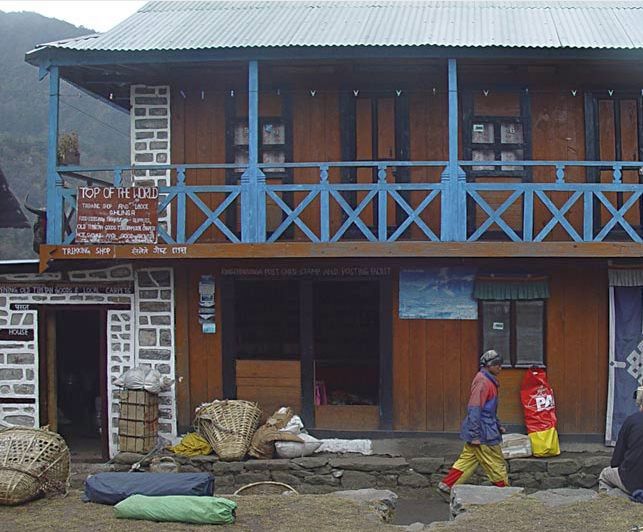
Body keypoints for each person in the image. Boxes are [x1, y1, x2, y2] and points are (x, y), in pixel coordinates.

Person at [437, 349, 509, 496]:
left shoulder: (485, 380)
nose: (500, 368)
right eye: (497, 365)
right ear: (489, 365)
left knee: (467, 460)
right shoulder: (484, 383)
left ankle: (447, 486)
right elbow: (475, 408)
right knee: (495, 462)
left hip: (483, 428)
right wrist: (476, 434)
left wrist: (497, 424)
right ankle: (504, 492)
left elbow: (488, 409)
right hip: (484, 432)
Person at [598, 386, 643, 495]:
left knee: (604, 475)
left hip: (633, 480)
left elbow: (617, 457)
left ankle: (607, 499)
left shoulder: (632, 421)